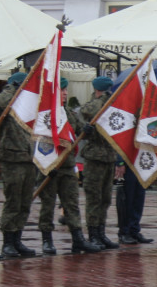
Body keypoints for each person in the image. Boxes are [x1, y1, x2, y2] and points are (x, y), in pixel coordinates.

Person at [37, 79, 97, 254]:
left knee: (71, 203)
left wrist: (86, 130)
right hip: (51, 166)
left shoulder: (68, 113)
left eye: (65, 90)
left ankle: (78, 238)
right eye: (62, 90)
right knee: (48, 204)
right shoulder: (46, 114)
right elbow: (40, 140)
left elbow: (79, 131)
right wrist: (47, 164)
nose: (65, 93)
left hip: (68, 164)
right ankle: (47, 239)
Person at [0, 72, 39, 258]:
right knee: (13, 201)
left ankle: (18, 239)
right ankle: (7, 243)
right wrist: (13, 87)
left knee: (25, 202)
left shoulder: (28, 103)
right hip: (12, 158)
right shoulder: (10, 101)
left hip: (29, 158)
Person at [81, 76, 121, 250]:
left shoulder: (110, 105)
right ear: (99, 91)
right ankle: (93, 234)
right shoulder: (92, 106)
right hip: (95, 158)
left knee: (105, 199)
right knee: (94, 198)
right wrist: (105, 99)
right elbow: (88, 113)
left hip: (108, 156)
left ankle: (101, 232)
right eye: (106, 92)